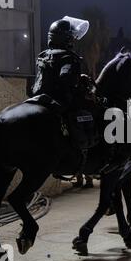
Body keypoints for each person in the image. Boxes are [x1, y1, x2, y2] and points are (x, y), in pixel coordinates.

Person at [31, 17, 97, 169]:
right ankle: (84, 151)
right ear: (66, 38)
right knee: (88, 112)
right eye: (70, 37)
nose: (73, 40)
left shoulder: (44, 54)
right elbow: (65, 79)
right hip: (60, 100)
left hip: (38, 97)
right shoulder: (68, 57)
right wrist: (80, 84)